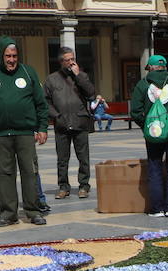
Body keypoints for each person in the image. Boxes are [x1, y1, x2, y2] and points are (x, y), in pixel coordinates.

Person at [0, 37, 49, 227]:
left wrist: (42, 128)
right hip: (1, 134)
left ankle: (33, 211)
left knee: (30, 172)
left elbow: (41, 103)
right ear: (1, 55)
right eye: (8, 56)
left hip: (25, 133)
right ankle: (8, 214)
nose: (12, 60)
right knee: (4, 174)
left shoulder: (28, 72)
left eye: (14, 56)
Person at [130, 54, 168, 217]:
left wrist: (147, 125)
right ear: (165, 66)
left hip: (153, 133)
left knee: (154, 168)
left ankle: (156, 209)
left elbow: (135, 111)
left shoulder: (142, 84)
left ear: (150, 68)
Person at [45, 47, 97, 200]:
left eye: (73, 59)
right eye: (67, 60)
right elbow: (45, 101)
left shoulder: (81, 76)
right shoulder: (51, 79)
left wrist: (79, 75)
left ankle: (84, 186)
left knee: (83, 157)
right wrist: (56, 115)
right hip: (62, 123)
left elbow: (91, 94)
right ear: (61, 62)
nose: (71, 62)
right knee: (62, 159)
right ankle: (63, 186)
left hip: (80, 121)